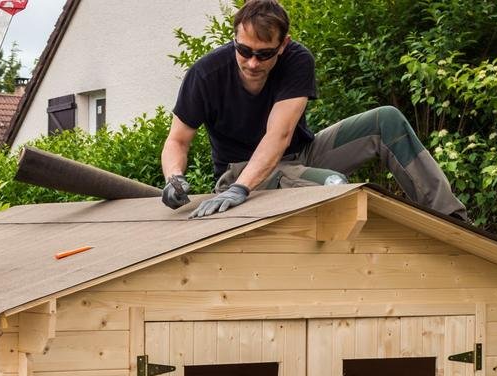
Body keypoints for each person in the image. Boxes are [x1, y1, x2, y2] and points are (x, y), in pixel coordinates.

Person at [160, 0, 468, 221]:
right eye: (244, 51)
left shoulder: (297, 60)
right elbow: (178, 140)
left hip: (300, 155)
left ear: (283, 45)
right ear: (234, 40)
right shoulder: (206, 74)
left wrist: (244, 189)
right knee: (332, 184)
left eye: (264, 54)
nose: (252, 63)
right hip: (238, 171)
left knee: (385, 120)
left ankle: (454, 222)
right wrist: (175, 179)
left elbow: (278, 135)